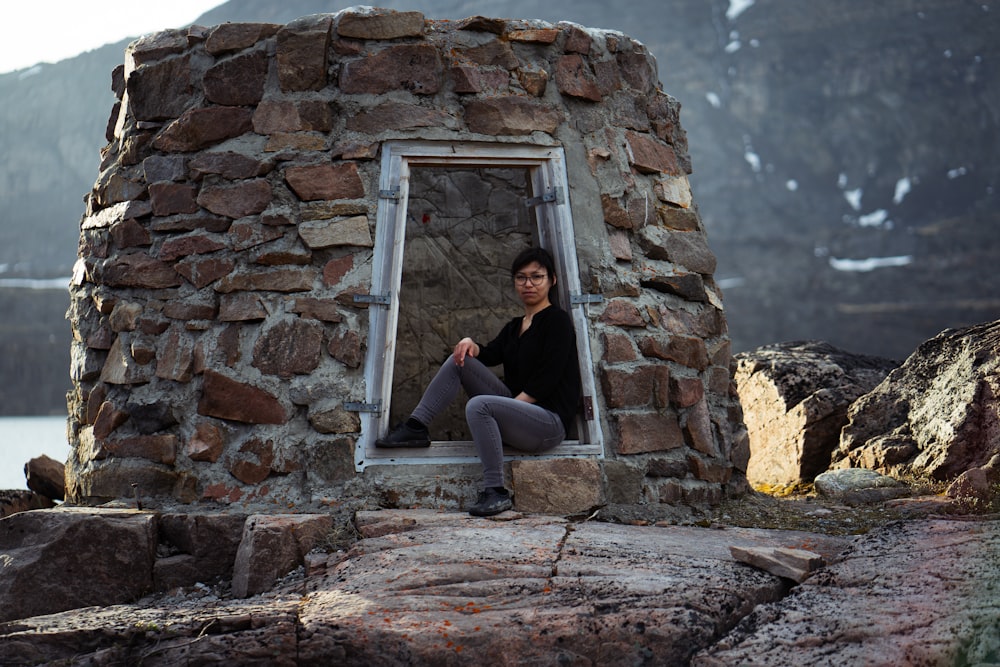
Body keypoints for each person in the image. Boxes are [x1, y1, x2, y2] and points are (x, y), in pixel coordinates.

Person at [376, 247, 581, 517]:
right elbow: (491, 353)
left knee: (479, 406)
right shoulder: (514, 326)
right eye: (521, 277)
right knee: (460, 359)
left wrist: (508, 409)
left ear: (552, 280)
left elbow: (548, 379)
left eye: (536, 277)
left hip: (548, 423)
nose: (528, 284)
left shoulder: (557, 321)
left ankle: (496, 491)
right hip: (520, 414)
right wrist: (470, 344)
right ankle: (416, 427)